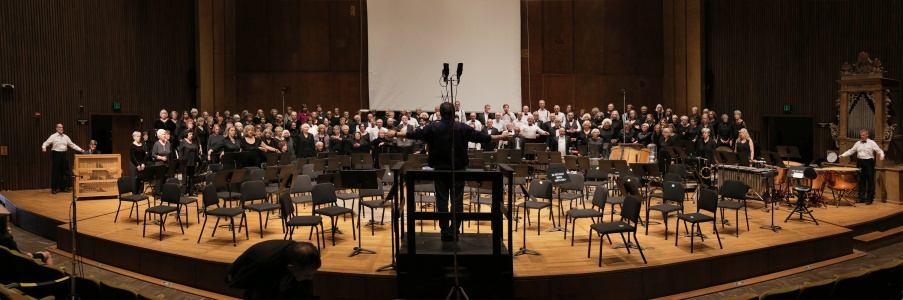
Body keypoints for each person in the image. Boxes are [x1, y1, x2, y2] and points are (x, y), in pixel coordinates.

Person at [388, 102, 510, 242]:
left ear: (440, 113)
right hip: (458, 170)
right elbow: (482, 137)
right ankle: (455, 230)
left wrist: (395, 133)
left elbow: (414, 134)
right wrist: (501, 137)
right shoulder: (462, 127)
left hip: (439, 171)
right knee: (457, 202)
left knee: (442, 202)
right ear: (454, 113)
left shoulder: (433, 127)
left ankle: (445, 232)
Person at [226, 240, 321, 300]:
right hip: (248, 275)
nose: (310, 278)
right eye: (308, 275)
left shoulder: (301, 258)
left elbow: (306, 291)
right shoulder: (263, 265)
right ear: (291, 267)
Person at [838, 129, 885, 205]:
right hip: (860, 162)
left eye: (863, 135)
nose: (862, 136)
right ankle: (861, 198)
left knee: (870, 180)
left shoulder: (872, 143)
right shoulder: (858, 143)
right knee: (861, 181)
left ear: (867, 135)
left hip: (868, 162)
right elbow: (851, 151)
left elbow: (879, 150)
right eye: (861, 135)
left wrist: (882, 155)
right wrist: (843, 155)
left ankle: (869, 199)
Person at [42, 124, 85, 194]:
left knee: (64, 171)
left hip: (64, 154)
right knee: (55, 171)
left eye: (62, 127)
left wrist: (80, 149)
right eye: (59, 127)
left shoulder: (66, 137)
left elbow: (72, 145)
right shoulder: (53, 136)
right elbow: (46, 143)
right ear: (56, 128)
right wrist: (44, 147)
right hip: (56, 154)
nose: (61, 128)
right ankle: (54, 188)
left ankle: (63, 187)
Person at [177, 130, 201, 195]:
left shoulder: (194, 142)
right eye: (190, 134)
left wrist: (197, 160)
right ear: (187, 135)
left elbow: (196, 152)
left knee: (191, 177)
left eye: (192, 134)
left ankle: (191, 191)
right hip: (185, 162)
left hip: (193, 161)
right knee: (184, 178)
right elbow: (180, 152)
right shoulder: (183, 142)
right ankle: (184, 192)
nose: (191, 135)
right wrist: (181, 162)